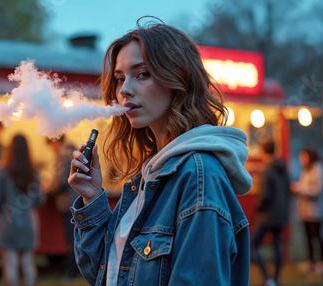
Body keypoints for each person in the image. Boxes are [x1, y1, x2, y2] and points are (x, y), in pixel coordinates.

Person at [68, 18, 252, 286]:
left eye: (142, 74)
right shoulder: (149, 175)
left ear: (177, 78)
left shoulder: (198, 176)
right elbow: (107, 272)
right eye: (119, 79)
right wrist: (92, 198)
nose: (124, 90)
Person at [0, 134, 43, 286]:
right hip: (28, 223)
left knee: (10, 264)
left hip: (7, 223)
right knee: (28, 264)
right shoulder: (34, 172)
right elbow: (40, 199)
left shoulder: (2, 171)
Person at [251, 140, 291, 286]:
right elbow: (288, 190)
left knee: (253, 245)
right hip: (280, 213)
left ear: (263, 151)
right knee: (277, 246)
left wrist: (258, 208)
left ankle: (267, 277)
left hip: (267, 215)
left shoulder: (267, 169)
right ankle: (277, 278)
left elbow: (265, 195)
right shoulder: (283, 168)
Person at [46, 135, 80, 279]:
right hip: (75, 201)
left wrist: (49, 190)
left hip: (68, 203)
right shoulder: (72, 151)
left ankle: (73, 272)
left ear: (54, 141)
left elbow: (61, 181)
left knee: (72, 239)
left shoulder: (64, 154)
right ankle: (77, 270)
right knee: (76, 238)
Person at [292, 147, 323, 274]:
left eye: (303, 157)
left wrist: (300, 189)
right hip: (305, 211)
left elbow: (317, 190)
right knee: (308, 237)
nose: (301, 160)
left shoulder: (318, 169)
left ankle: (320, 261)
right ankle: (311, 261)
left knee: (316, 236)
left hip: (315, 211)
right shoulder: (305, 170)